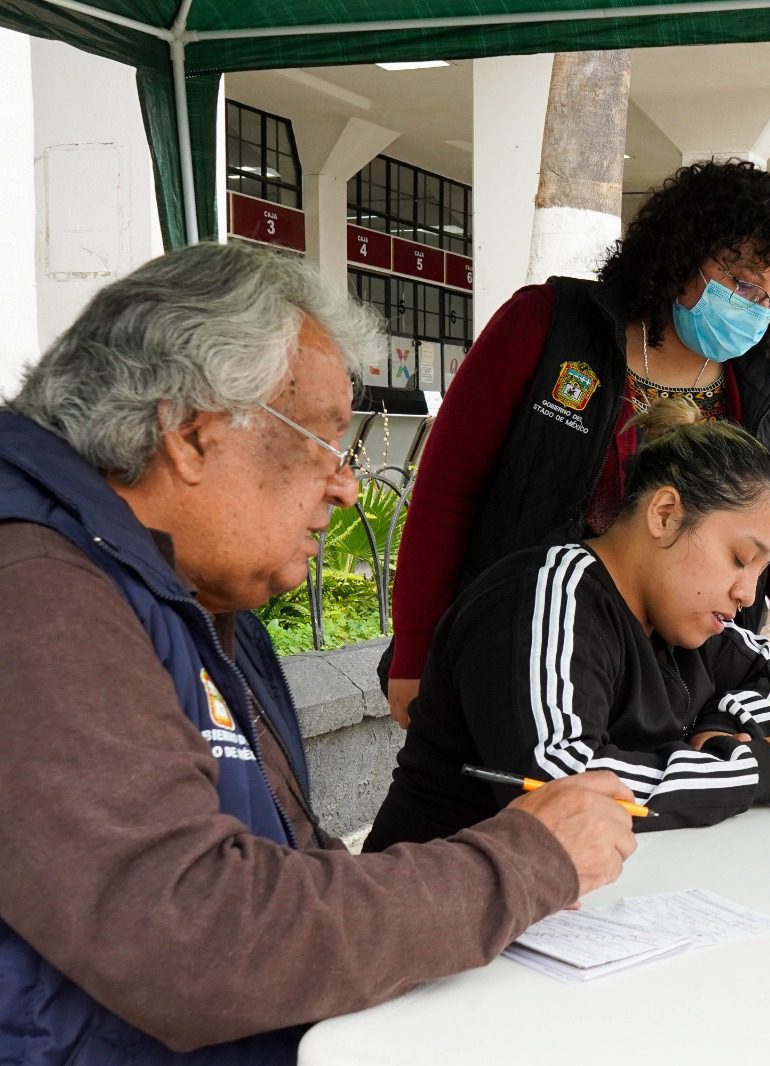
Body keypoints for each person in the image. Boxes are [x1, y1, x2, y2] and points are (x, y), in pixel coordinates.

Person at [0, 243, 637, 1063]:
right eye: (326, 441)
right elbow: (201, 937)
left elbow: (290, 872)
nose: (345, 485)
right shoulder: (39, 592)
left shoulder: (194, 596)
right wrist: (522, 861)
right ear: (192, 434)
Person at [385, 161, 770, 729]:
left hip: (683, 685)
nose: (756, 308)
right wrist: (416, 652)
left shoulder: (765, 393)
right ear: (682, 253)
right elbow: (446, 493)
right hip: (529, 654)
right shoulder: (547, 329)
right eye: (742, 283)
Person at [366, 399, 770, 847]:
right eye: (740, 558)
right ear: (665, 514)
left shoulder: (683, 617)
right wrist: (757, 770)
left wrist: (719, 730)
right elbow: (562, 781)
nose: (747, 593)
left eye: (761, 572)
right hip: (438, 905)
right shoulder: (543, 596)